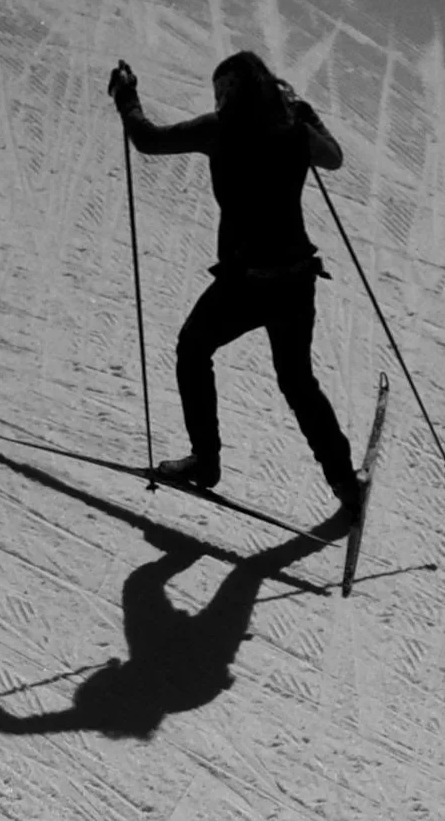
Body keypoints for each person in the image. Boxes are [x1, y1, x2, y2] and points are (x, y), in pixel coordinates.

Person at [107, 51, 362, 514]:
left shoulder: (219, 129)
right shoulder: (293, 130)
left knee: (193, 349)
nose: (221, 98)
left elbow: (147, 141)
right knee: (297, 381)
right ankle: (345, 483)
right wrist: (307, 115)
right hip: (293, 280)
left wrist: (127, 98)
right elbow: (335, 159)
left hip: (247, 283)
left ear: (239, 90)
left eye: (225, 89)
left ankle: (205, 462)